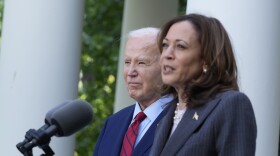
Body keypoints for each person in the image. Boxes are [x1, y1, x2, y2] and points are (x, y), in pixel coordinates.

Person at [150, 13, 257, 156]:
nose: (167, 55)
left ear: (206, 59)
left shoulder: (231, 104)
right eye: (165, 45)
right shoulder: (167, 115)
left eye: (181, 46)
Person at [93, 27, 175, 156]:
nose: (131, 72)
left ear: (166, 67)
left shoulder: (182, 122)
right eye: (127, 62)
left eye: (141, 63)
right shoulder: (113, 123)